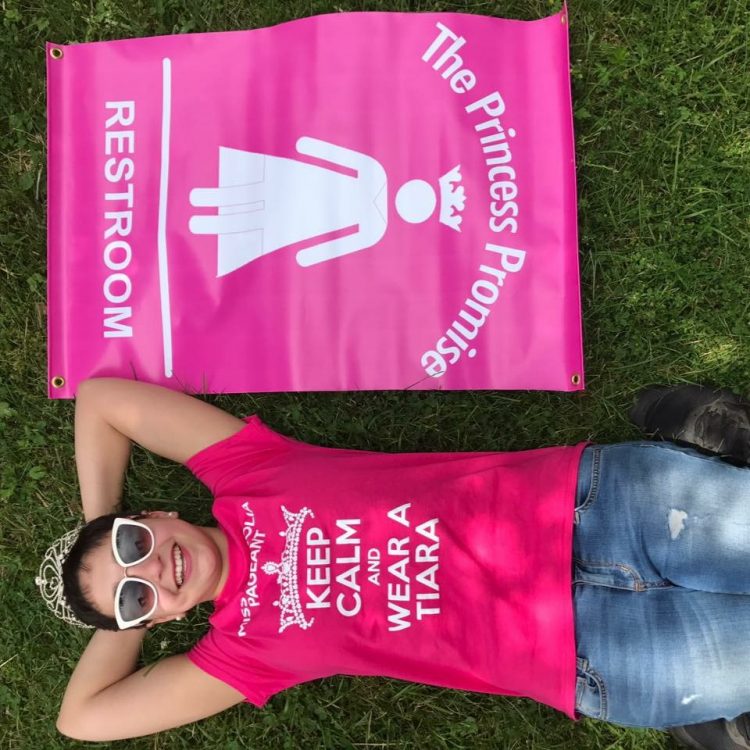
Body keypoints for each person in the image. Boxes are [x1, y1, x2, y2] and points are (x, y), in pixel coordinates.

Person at [41, 378, 750, 747]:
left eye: (134, 543)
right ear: (158, 620)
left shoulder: (247, 472)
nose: (153, 570)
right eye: (138, 598)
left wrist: (97, 523)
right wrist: (119, 602)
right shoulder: (241, 656)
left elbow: (102, 401)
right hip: (594, 656)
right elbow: (83, 718)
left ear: (156, 516)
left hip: (589, 507)